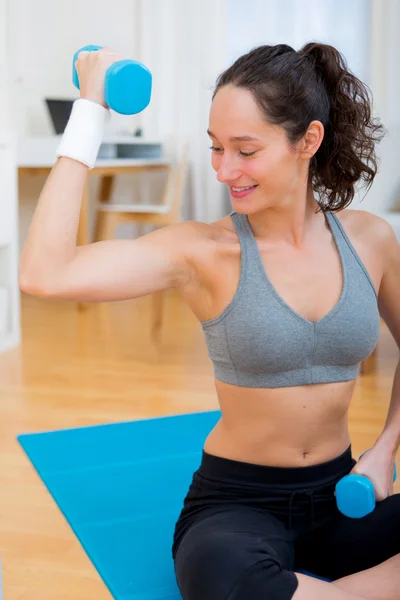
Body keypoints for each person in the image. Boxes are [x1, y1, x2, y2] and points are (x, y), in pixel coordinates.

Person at [19, 42, 400, 600]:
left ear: (308, 141)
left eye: (245, 150)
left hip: (346, 493)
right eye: (216, 148)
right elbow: (45, 274)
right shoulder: (202, 252)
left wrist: (387, 447)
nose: (224, 170)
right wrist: (89, 108)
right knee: (226, 576)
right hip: (240, 506)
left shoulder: (371, 240)